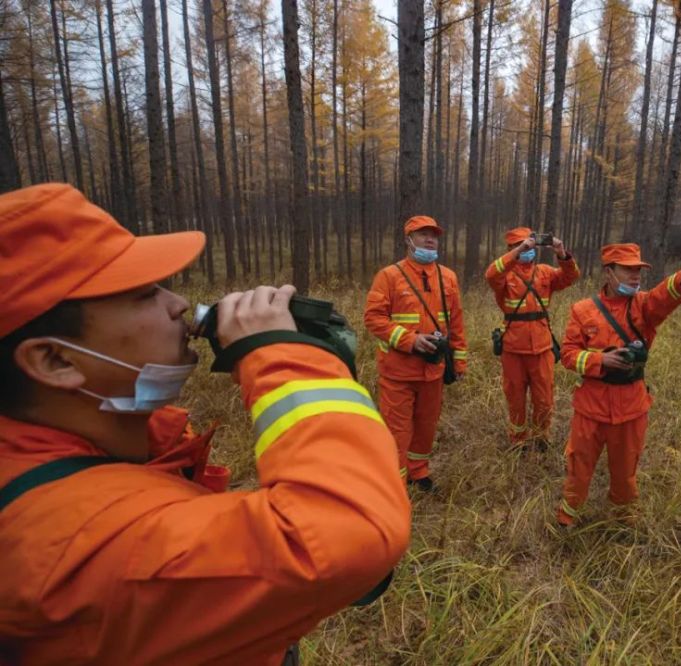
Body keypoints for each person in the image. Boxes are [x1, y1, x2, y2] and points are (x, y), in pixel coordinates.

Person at [0, 184, 410, 665]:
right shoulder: (81, 543)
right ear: (52, 360)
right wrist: (281, 356)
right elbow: (349, 536)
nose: (177, 304)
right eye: (143, 294)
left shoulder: (98, 448)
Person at [556, 244, 681, 526]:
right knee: (578, 467)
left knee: (625, 470)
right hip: (590, 408)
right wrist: (601, 361)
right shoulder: (582, 310)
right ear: (609, 272)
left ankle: (623, 520)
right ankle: (566, 520)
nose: (635, 276)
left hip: (631, 407)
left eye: (638, 270)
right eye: (627, 270)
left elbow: (664, 297)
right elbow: (568, 355)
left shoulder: (644, 307)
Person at [363, 216, 468, 492]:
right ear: (408, 240)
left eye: (433, 235)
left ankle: (418, 472)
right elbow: (373, 318)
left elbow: (456, 321)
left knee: (426, 425)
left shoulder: (448, 277)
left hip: (433, 370)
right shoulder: (389, 276)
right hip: (398, 371)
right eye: (423, 235)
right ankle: (393, 484)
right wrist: (410, 340)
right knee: (397, 431)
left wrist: (458, 360)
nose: (430, 239)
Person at [485, 228, 580, 450]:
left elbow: (571, 276)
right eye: (520, 244)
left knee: (544, 398)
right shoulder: (504, 275)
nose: (528, 248)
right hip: (513, 349)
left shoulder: (545, 272)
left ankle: (540, 438)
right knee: (515, 398)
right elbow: (490, 275)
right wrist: (518, 252)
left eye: (529, 244)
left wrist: (562, 253)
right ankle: (518, 440)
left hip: (542, 348)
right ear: (510, 249)